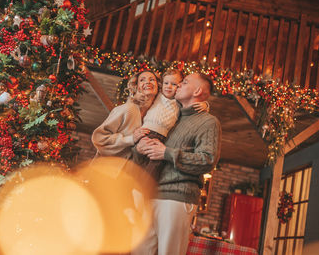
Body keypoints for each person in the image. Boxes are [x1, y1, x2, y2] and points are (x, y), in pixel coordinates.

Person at [132, 72, 222, 255]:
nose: (179, 84)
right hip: (151, 194)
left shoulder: (208, 122)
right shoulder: (173, 117)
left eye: (185, 82)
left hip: (176, 198)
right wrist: (138, 147)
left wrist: (166, 152)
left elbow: (208, 160)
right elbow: (150, 154)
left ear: (197, 90)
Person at [136, 69, 208, 180]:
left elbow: (192, 105)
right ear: (161, 84)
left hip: (162, 138)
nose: (169, 87)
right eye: (166, 83)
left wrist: (205, 104)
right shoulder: (157, 95)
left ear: (179, 86)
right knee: (137, 161)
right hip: (145, 132)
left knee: (154, 165)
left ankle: (143, 189)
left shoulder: (179, 101)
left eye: (174, 84)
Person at [91, 70, 160, 175]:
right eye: (142, 80)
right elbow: (99, 138)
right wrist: (131, 139)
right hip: (104, 173)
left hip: (128, 180)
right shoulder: (128, 109)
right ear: (136, 87)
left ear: (158, 86)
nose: (148, 82)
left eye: (152, 79)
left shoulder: (154, 117)